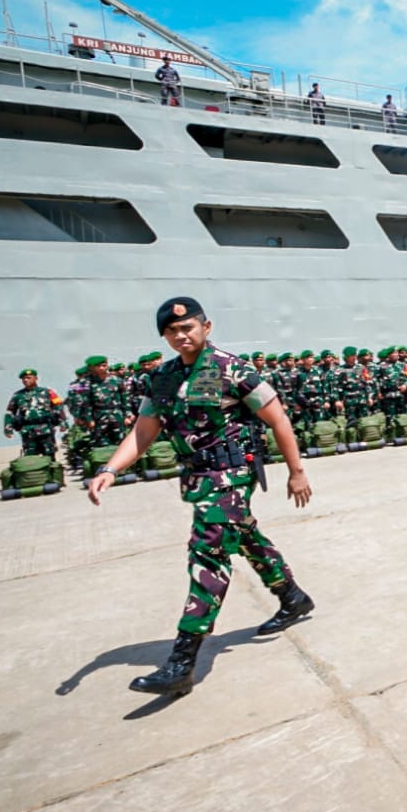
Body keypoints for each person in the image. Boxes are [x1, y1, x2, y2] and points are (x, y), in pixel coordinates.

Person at [88, 297, 315, 697]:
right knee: (243, 536)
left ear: (206, 327)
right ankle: (292, 597)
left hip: (232, 474)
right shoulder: (162, 378)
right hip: (198, 478)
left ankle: (182, 660)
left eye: (188, 327)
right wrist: (111, 469)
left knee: (207, 552)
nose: (181, 335)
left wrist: (296, 471)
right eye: (172, 331)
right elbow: (144, 430)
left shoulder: (232, 369)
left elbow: (278, 418)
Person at [4, 369, 67, 457]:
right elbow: (10, 412)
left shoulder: (48, 392)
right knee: (30, 458)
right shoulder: (18, 395)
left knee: (49, 456)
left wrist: (63, 423)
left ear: (36, 378)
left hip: (45, 429)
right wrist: (8, 429)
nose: (25, 380)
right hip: (28, 431)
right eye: (23, 379)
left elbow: (58, 406)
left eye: (28, 378)